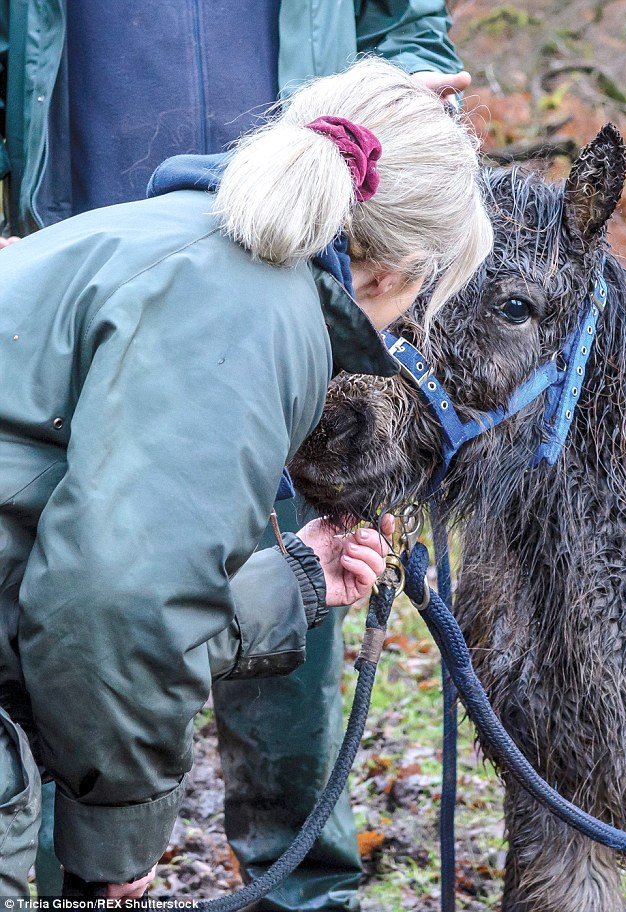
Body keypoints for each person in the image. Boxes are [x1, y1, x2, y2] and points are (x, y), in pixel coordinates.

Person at [1, 3, 471, 906]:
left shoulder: (173, 248)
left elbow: (95, 577)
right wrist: (115, 845)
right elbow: (107, 608)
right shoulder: (250, 308)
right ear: (396, 269)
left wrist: (289, 582)